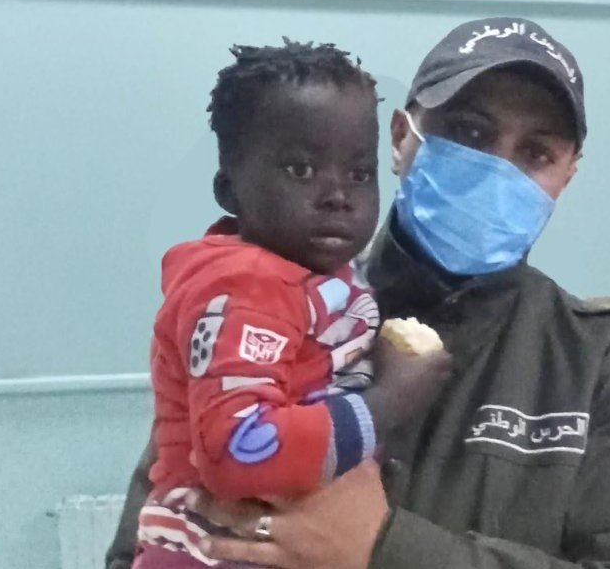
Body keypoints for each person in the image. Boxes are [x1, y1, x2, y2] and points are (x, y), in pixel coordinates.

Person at [107, 17, 610, 569]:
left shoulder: (609, 364)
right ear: (401, 137)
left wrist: (385, 549)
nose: (496, 169)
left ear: (566, 174)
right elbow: (143, 540)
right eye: (469, 131)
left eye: (536, 153)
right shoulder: (267, 303)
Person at [128, 39, 451, 568]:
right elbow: (238, 449)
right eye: (301, 170)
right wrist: (388, 402)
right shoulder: (244, 288)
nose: (337, 195)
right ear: (228, 190)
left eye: (358, 174)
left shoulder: (316, 279)